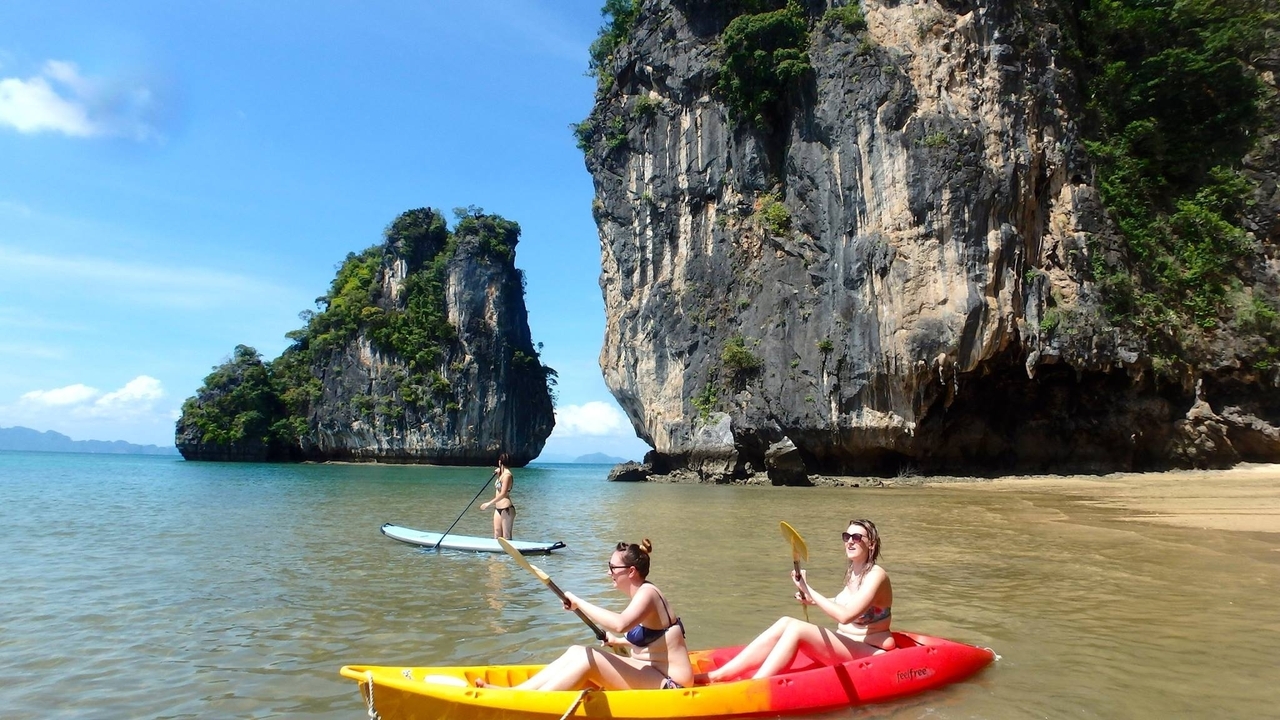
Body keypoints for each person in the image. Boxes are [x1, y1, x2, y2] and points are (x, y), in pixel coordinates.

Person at [480, 539, 694, 691]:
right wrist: (617, 642)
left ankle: (528, 703)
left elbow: (620, 624)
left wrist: (578, 602)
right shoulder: (644, 594)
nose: (608, 572)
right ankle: (517, 692)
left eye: (612, 567)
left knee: (588, 659)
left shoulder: (647, 594)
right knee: (576, 651)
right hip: (653, 672)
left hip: (671, 685)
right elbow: (655, 641)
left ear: (631, 571)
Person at [701, 519, 893, 683]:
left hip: (871, 652)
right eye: (846, 536)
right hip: (847, 644)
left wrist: (808, 589)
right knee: (785, 621)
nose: (850, 541)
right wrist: (811, 599)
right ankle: (720, 674)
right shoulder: (853, 571)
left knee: (796, 628)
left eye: (857, 537)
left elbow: (845, 615)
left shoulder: (876, 575)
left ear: (871, 544)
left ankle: (755, 684)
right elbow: (842, 602)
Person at [479, 453, 515, 540]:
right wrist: (499, 474)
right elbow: (499, 486)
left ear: (500, 462)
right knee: (497, 533)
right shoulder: (502, 474)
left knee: (506, 536)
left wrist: (489, 503)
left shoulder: (507, 475)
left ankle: (510, 548)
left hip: (506, 509)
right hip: (498, 509)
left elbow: (503, 494)